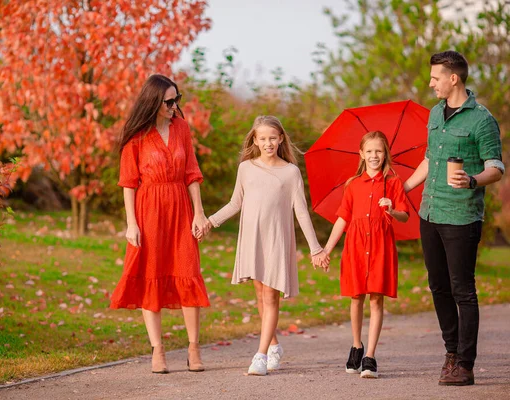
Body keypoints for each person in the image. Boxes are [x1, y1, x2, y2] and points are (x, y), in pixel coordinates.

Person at [404, 51, 504, 386]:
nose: (430, 83)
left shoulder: (482, 120)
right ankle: (450, 352)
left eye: (435, 78)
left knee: (463, 289)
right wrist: (403, 187)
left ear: (453, 78)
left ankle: (465, 362)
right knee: (438, 285)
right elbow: (430, 159)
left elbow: (497, 168)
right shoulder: (434, 114)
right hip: (429, 212)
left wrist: (473, 179)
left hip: (462, 216)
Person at [203, 115, 329, 376]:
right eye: (263, 138)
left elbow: (301, 212)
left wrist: (316, 248)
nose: (268, 143)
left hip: (276, 239)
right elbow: (235, 203)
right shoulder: (246, 168)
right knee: (260, 296)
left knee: (271, 297)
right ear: (255, 140)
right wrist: (209, 222)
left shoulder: (291, 172)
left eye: (273, 138)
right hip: (251, 238)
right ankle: (273, 346)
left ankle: (259, 356)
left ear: (281, 138)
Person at [110, 74, 211, 374]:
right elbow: (129, 182)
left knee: (187, 270)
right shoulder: (137, 135)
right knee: (150, 275)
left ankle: (193, 348)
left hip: (180, 207)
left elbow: (192, 172)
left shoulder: (181, 129)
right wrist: (132, 224)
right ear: (154, 101)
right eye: (169, 101)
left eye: (177, 99)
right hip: (149, 210)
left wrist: (200, 212)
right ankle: (158, 350)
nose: (174, 106)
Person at [323, 131, 409, 379]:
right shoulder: (353, 184)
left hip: (381, 246)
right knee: (356, 296)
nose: (374, 156)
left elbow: (404, 215)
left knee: (376, 298)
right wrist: (327, 248)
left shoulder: (392, 183)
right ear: (361, 154)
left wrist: (391, 209)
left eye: (379, 151)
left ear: (385, 154)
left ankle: (370, 355)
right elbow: (342, 218)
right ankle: (357, 345)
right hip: (356, 246)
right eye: (369, 151)